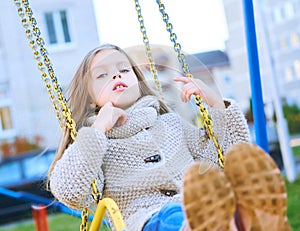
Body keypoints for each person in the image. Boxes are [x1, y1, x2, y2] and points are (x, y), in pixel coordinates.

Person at [48, 44, 290, 231]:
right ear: (90, 98)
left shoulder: (170, 123)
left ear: (138, 82)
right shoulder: (94, 144)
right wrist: (98, 129)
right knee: (174, 217)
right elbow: (73, 192)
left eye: (123, 69)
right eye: (102, 75)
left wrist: (215, 101)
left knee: (226, 199)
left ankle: (240, 218)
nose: (116, 76)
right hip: (148, 220)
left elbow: (222, 156)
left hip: (198, 204)